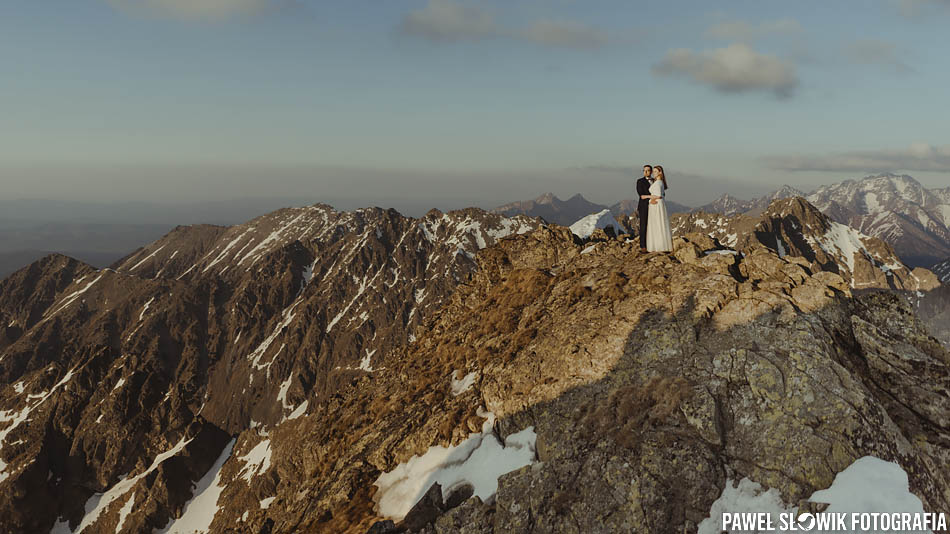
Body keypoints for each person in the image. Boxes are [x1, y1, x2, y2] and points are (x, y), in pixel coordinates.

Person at [645, 165, 673, 252]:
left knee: (657, 224)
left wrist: (647, 198)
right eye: (653, 171)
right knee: (658, 224)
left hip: (656, 205)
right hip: (657, 204)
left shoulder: (658, 182)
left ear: (660, 172)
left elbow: (659, 196)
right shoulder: (659, 182)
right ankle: (659, 245)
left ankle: (658, 246)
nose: (654, 173)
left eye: (656, 171)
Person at [635, 164, 653, 253]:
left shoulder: (655, 181)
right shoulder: (640, 181)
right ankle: (643, 246)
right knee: (643, 226)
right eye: (644, 170)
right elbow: (641, 194)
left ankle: (652, 244)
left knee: (653, 225)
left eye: (648, 170)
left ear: (651, 172)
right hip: (644, 206)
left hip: (654, 206)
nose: (645, 172)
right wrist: (653, 197)